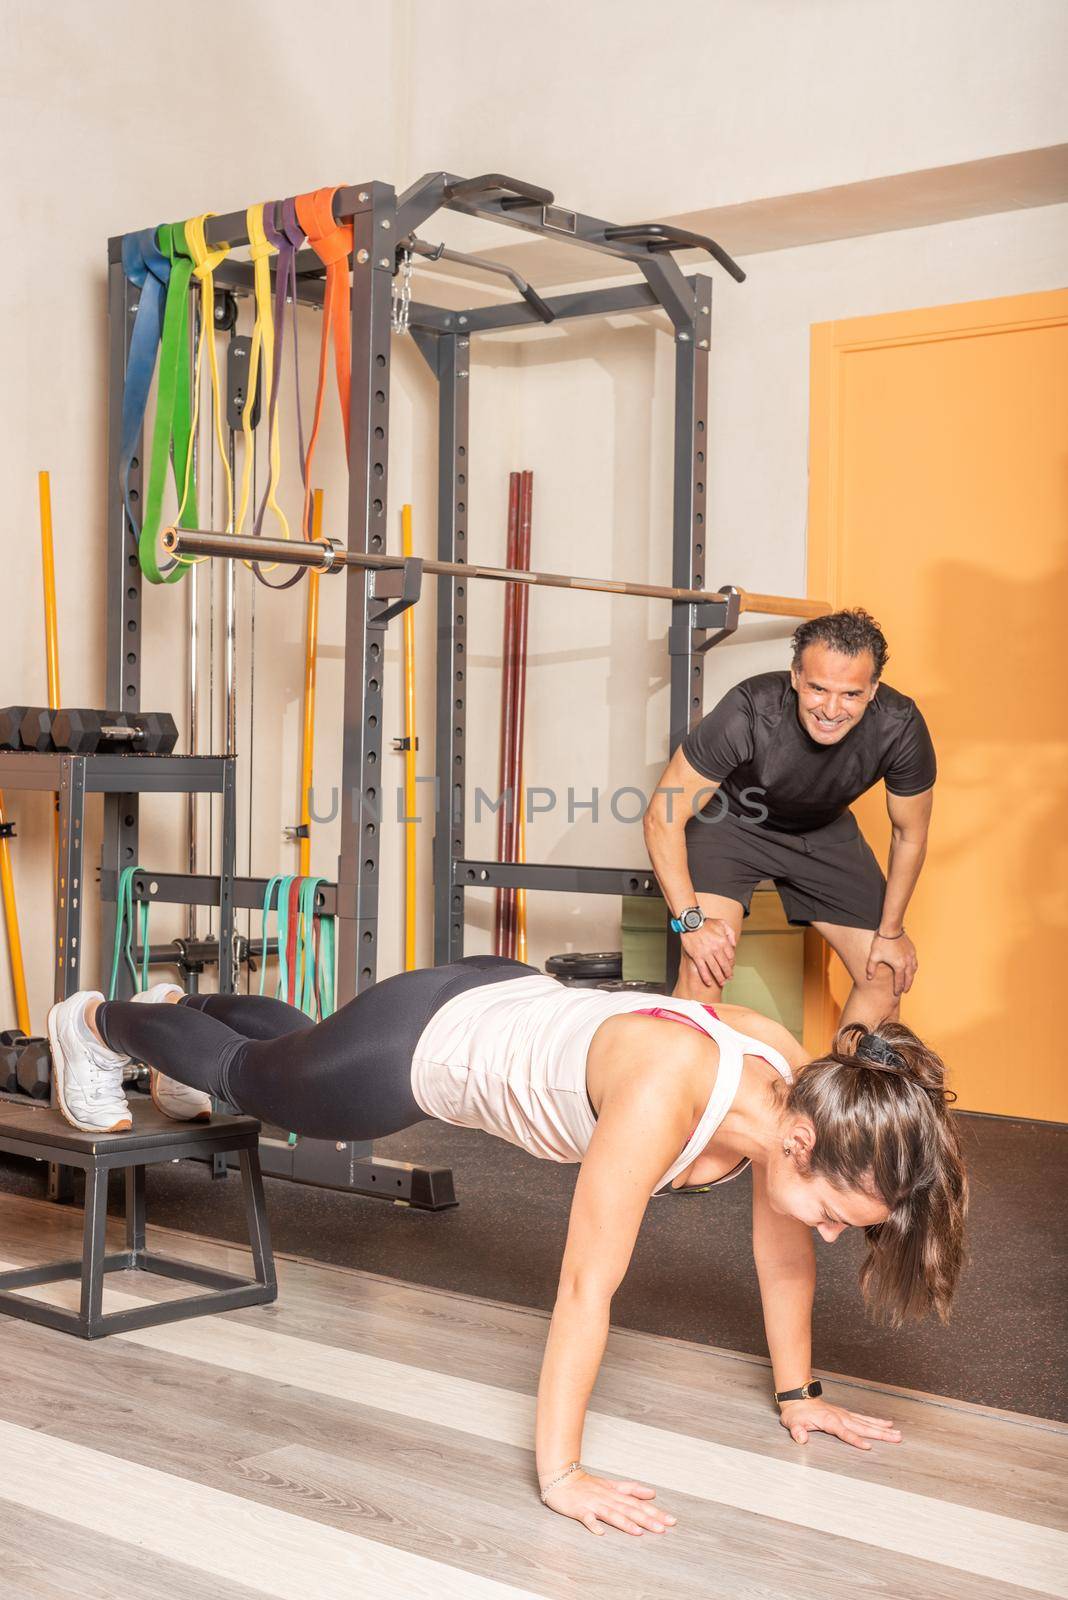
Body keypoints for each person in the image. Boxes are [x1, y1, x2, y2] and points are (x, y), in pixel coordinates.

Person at [47, 956, 967, 1538]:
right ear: (808, 1144)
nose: (834, 1230)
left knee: (298, 1056)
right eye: (841, 1211)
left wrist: (801, 1398)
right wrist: (561, 1473)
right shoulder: (662, 1099)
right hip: (424, 1047)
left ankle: (180, 1007)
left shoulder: (792, 1087)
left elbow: (783, 1257)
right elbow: (583, 1290)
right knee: (262, 1083)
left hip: (499, 991)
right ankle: (95, 1023)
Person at [643, 608, 936, 1026]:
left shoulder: (900, 725)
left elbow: (910, 834)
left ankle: (841, 1092)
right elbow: (661, 817)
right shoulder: (749, 710)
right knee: (703, 968)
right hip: (731, 825)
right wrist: (690, 922)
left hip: (822, 829)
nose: (832, 709)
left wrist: (891, 932)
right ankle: (685, 1088)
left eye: (851, 694)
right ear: (796, 676)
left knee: (886, 974)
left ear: (873, 689)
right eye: (818, 688)